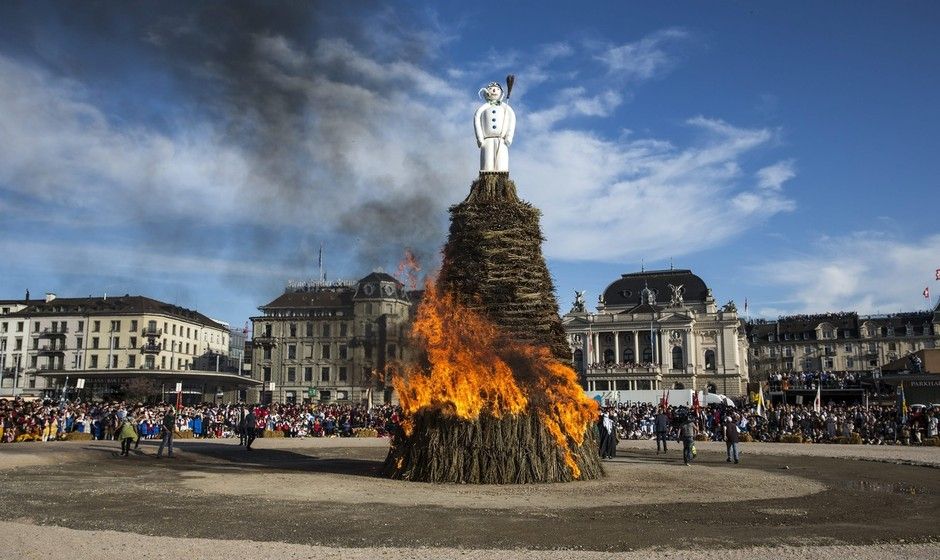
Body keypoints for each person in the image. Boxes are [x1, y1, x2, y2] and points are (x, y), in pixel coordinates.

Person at [473, 81, 516, 172]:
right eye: (491, 88)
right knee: (487, 162)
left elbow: (512, 120)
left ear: (501, 92)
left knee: (501, 161)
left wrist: (509, 136)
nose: (493, 90)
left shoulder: (506, 107)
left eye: (496, 89)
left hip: (501, 140)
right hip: (487, 140)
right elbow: (477, 119)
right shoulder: (483, 108)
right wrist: (480, 138)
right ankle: (487, 179)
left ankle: (501, 179)